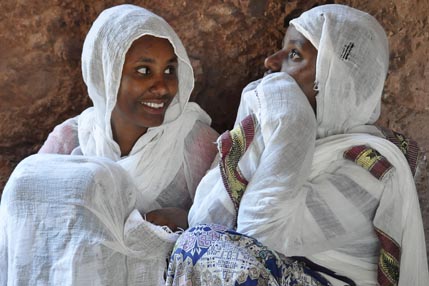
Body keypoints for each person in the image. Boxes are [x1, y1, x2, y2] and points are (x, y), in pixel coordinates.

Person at [166, 4, 429, 286]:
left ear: (331, 78)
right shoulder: (280, 139)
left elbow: (259, 230)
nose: (270, 62)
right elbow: (206, 218)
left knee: (201, 247)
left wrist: (291, 117)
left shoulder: (368, 171)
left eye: (294, 54)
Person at [0, 4, 218, 285]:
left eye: (169, 70)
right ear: (106, 74)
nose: (162, 87)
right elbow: (30, 220)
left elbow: (230, 232)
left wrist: (185, 220)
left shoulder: (195, 142)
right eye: (143, 70)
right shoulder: (72, 139)